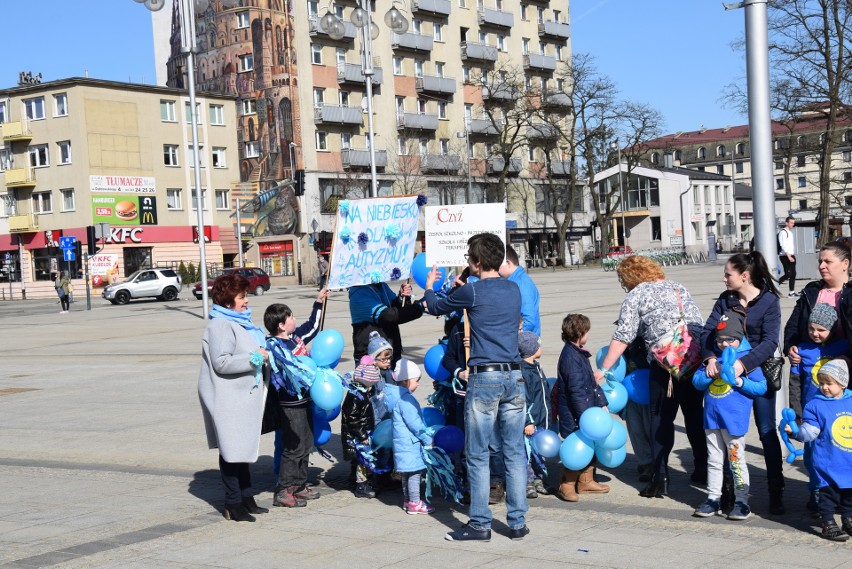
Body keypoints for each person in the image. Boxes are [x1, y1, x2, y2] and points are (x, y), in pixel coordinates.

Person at [424, 232, 529, 542]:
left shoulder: (472, 291)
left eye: (469, 258)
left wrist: (430, 285)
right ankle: (518, 521)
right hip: (514, 376)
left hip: (485, 378)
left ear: (477, 261)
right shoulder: (513, 289)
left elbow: (436, 307)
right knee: (513, 452)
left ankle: (480, 524)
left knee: (478, 453)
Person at [597, 255, 707, 499]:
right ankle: (702, 469)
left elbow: (623, 335)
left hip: (664, 365)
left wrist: (603, 369)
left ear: (629, 277)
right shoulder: (678, 286)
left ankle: (660, 478)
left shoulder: (636, 295)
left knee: (661, 419)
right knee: (694, 417)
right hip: (691, 359)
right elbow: (697, 322)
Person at [700, 251, 786, 515]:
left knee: (766, 430)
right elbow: (707, 333)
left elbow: (770, 341)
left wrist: (744, 364)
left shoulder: (769, 301)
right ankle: (726, 494)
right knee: (725, 433)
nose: (724, 278)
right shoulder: (725, 301)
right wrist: (711, 357)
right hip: (725, 379)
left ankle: (775, 490)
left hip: (756, 373)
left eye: (728, 274)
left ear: (744, 276)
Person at [785, 240, 852, 512]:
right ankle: (821, 495)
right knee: (817, 445)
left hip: (847, 384)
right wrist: (791, 346)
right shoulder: (812, 292)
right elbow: (794, 326)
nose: (821, 266)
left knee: (844, 442)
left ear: (845, 264)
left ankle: (845, 496)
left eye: (828, 262)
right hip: (815, 384)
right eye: (820, 261)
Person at [198, 273, 270, 522]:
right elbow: (221, 363)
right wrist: (257, 358)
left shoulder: (238, 322)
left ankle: (246, 498)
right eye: (242, 296)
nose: (246, 301)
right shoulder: (220, 325)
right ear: (228, 301)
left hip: (240, 397)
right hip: (227, 399)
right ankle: (233, 503)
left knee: (242, 449)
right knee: (231, 452)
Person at [692, 310, 767, 521]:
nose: (724, 344)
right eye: (720, 340)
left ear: (739, 338)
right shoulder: (712, 359)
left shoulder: (746, 359)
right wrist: (709, 373)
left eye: (730, 340)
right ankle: (713, 498)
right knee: (714, 460)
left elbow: (761, 387)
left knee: (736, 460)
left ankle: (742, 501)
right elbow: (696, 383)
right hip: (712, 420)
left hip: (733, 422)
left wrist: (739, 380)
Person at [262, 288, 330, 508]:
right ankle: (283, 489)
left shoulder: (295, 339)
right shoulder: (274, 346)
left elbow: (314, 326)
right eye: (290, 317)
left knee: (306, 444)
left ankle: (300, 486)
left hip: (305, 401)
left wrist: (319, 302)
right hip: (289, 404)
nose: (294, 319)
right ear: (281, 324)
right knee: (293, 447)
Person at [788, 302, 848, 514]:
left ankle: (841, 495)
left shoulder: (843, 348)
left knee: (836, 455)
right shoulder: (802, 350)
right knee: (812, 456)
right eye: (811, 328)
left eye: (821, 330)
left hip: (837, 415)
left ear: (833, 328)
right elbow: (794, 383)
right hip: (812, 414)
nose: (815, 333)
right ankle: (816, 493)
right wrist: (797, 414)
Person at [785, 358, 852, 542]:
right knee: (828, 495)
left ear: (842, 383)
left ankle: (848, 519)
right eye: (821, 383)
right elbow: (810, 432)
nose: (824, 387)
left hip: (849, 462)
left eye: (829, 383)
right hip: (828, 461)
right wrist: (797, 432)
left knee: (849, 494)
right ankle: (828, 523)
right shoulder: (815, 405)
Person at [555, 314, 611, 502]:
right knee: (576, 448)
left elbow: (592, 384)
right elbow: (576, 391)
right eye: (586, 331)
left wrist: (602, 403)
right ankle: (567, 483)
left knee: (590, 445)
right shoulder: (570, 358)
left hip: (586, 411)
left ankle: (586, 481)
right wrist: (585, 415)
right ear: (580, 333)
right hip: (575, 414)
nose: (588, 334)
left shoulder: (578, 352)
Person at [341, 331, 394, 499]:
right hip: (363, 431)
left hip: (375, 424)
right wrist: (363, 433)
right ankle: (361, 485)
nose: (388, 361)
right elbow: (353, 417)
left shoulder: (383, 375)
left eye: (389, 357)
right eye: (384, 358)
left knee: (374, 455)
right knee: (363, 458)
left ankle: (376, 479)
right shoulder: (362, 389)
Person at [385, 358, 435, 515]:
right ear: (406, 381)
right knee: (414, 473)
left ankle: (408, 500)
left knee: (407, 475)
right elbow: (415, 424)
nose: (418, 384)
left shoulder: (397, 398)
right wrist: (428, 439)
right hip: (410, 445)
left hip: (402, 445)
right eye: (416, 380)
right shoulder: (406, 400)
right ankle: (415, 502)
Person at [348, 281, 424, 366]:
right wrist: (420, 307)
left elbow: (394, 306)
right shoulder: (359, 293)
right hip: (372, 357)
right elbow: (388, 316)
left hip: (390, 352)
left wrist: (402, 298)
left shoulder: (381, 285)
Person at [518, 330, 549, 499]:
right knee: (527, 453)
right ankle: (528, 482)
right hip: (531, 422)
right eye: (538, 344)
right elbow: (523, 399)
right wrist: (527, 422)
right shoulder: (524, 372)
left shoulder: (536, 367)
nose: (540, 346)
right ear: (531, 349)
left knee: (539, 452)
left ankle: (539, 479)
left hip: (541, 419)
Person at [499, 245, 541, 335]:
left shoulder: (521, 284)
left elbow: (529, 321)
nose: (495, 269)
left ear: (508, 263)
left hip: (524, 343)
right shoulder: (514, 281)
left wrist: (507, 338)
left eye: (497, 265)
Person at [778, 216, 798, 297]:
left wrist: (791, 255)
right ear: (786, 223)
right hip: (785, 256)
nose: (793, 224)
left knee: (793, 273)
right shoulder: (783, 232)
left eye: (793, 223)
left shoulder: (790, 232)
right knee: (788, 274)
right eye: (791, 223)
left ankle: (791, 292)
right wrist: (788, 256)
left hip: (791, 255)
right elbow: (783, 245)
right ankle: (773, 287)